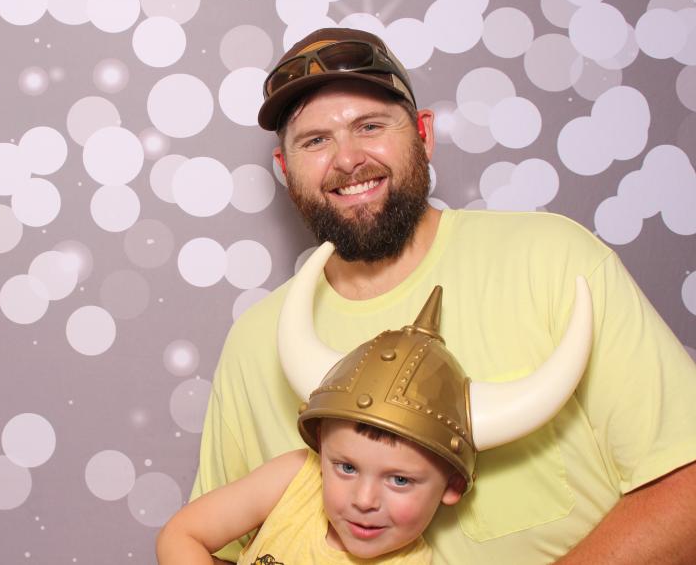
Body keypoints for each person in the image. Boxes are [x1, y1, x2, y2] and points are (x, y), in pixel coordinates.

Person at [190, 27, 696, 564]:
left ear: (423, 135)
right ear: (285, 169)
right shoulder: (255, 342)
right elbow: (217, 548)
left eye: (370, 126)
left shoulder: (552, 260)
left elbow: (687, 485)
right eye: (315, 141)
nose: (347, 159)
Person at [161, 242, 593, 564]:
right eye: (346, 467)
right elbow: (182, 535)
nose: (364, 499)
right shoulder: (295, 479)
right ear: (321, 448)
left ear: (452, 486)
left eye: (400, 480)